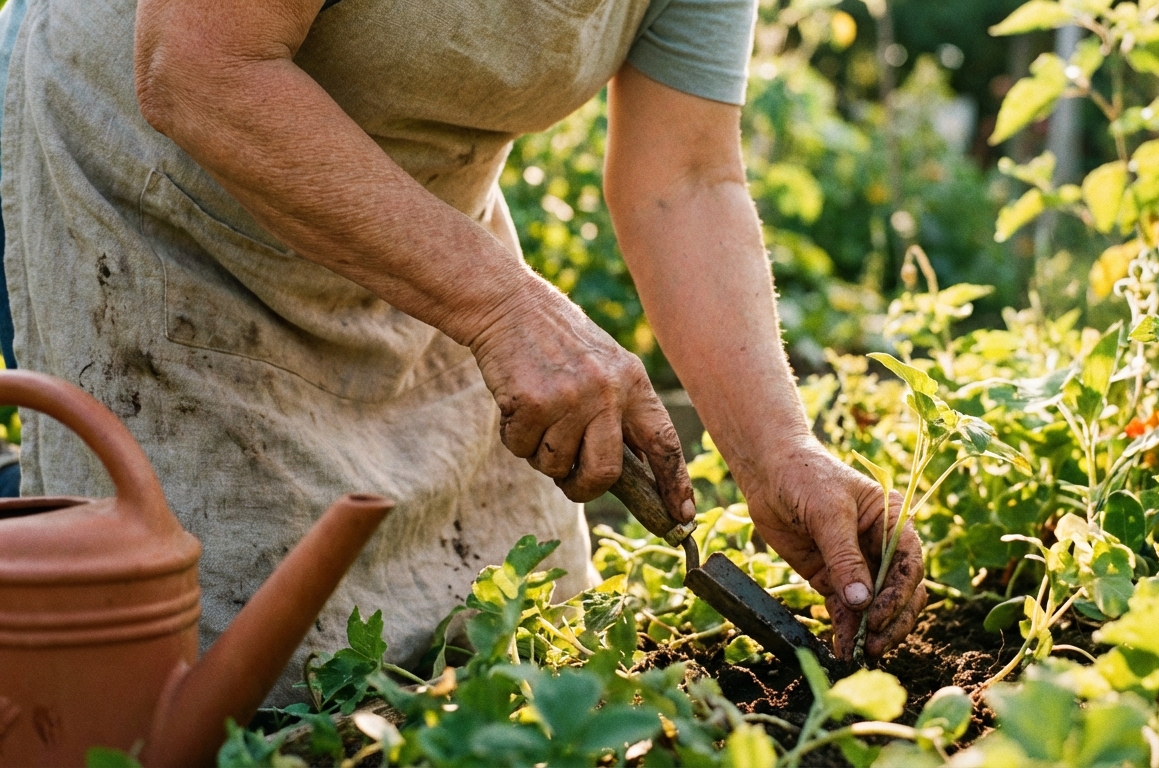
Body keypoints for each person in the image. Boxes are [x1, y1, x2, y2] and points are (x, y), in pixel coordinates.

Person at [0, 0, 925, 702]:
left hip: (423, 236)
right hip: (165, 202)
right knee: (222, 669)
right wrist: (498, 305)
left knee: (506, 643)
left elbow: (682, 177)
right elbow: (201, 66)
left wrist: (776, 450)